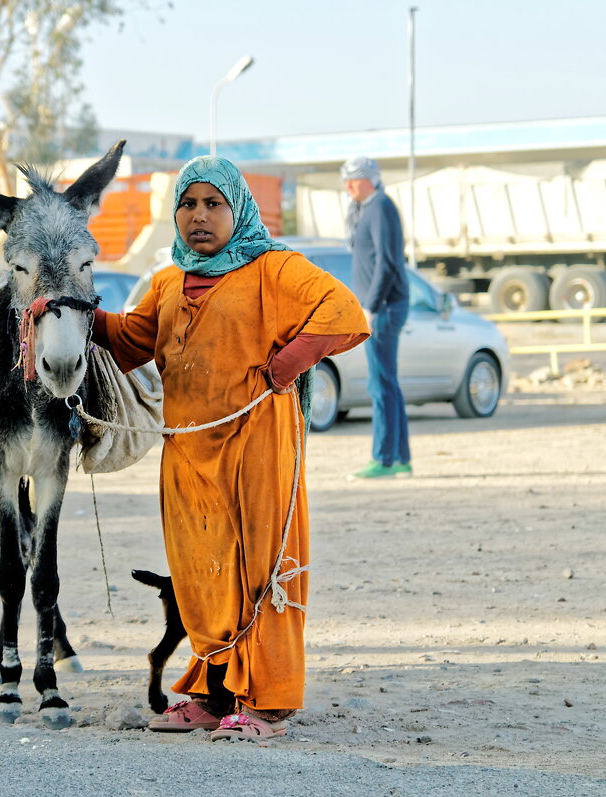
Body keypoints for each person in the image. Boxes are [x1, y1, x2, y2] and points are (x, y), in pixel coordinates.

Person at [91, 156, 368, 741]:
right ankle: (215, 696)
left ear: (238, 209)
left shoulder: (275, 268)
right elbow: (132, 341)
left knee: (259, 570)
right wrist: (72, 314)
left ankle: (266, 705)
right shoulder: (167, 281)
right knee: (201, 573)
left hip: (257, 449)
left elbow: (344, 313)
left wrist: (287, 364)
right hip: (188, 455)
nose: (199, 217)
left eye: (213, 204)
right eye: (188, 205)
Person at [341, 156, 413, 480]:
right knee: (388, 383)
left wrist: (371, 305)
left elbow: (388, 261)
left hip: (384, 307)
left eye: (353, 180)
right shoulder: (366, 209)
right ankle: (399, 457)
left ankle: (383, 458)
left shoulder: (380, 207)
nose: (348, 187)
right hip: (381, 305)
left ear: (369, 179)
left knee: (380, 385)